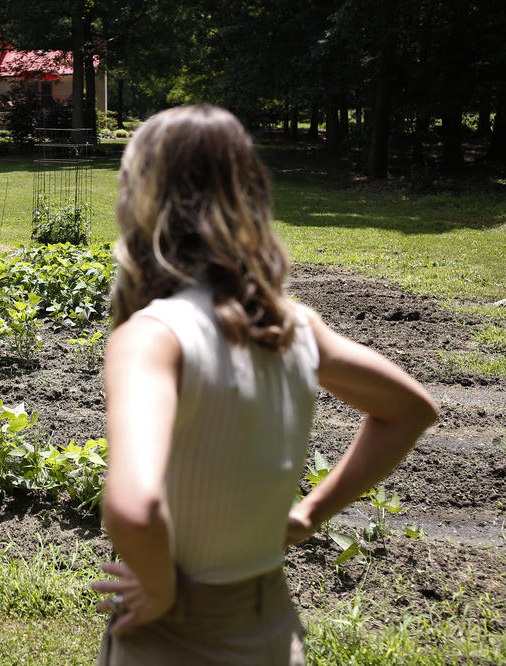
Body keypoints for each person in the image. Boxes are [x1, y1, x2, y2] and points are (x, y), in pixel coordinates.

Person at [91, 105, 438, 665]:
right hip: (271, 622)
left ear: (144, 201)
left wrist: (158, 590)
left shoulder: (152, 338)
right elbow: (409, 409)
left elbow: (133, 506)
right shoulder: (292, 327)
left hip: (176, 632)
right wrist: (308, 515)